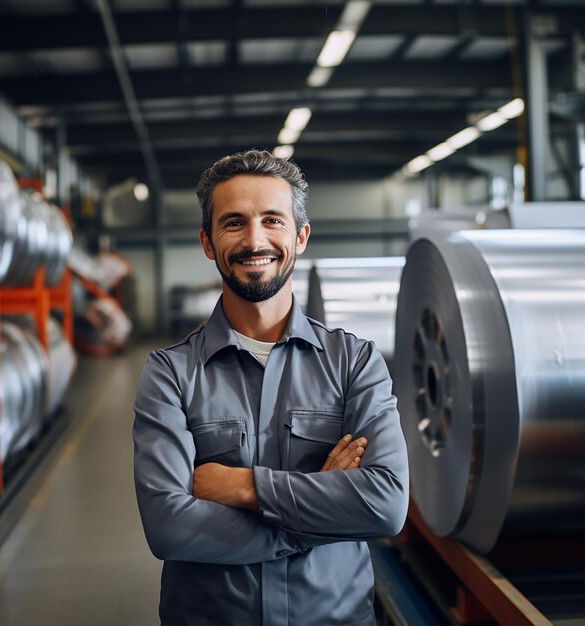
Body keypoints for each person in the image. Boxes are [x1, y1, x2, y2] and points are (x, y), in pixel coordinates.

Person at [133, 149, 409, 626]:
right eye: (234, 222)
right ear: (207, 240)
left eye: (272, 220)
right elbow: (169, 528)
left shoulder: (354, 363)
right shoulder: (170, 374)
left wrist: (243, 486)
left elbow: (384, 505)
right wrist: (321, 508)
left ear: (300, 236)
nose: (254, 239)